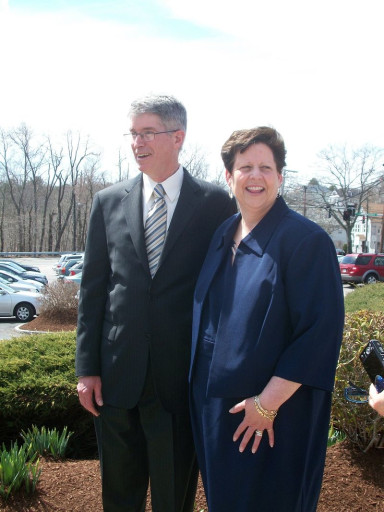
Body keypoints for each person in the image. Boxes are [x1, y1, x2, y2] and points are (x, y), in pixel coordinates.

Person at [75, 94, 236, 512]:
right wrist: (87, 369)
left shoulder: (216, 203)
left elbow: (225, 291)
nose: (137, 142)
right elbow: (93, 291)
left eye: (147, 132)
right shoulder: (107, 201)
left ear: (178, 136)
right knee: (119, 497)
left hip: (178, 381)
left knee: (173, 499)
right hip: (115, 379)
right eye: (133, 134)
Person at [189, 126, 345, 512]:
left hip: (274, 417)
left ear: (280, 176)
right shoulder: (224, 233)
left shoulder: (306, 241)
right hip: (218, 409)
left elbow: (318, 334)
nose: (255, 176)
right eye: (245, 167)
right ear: (229, 177)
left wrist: (267, 404)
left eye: (265, 167)